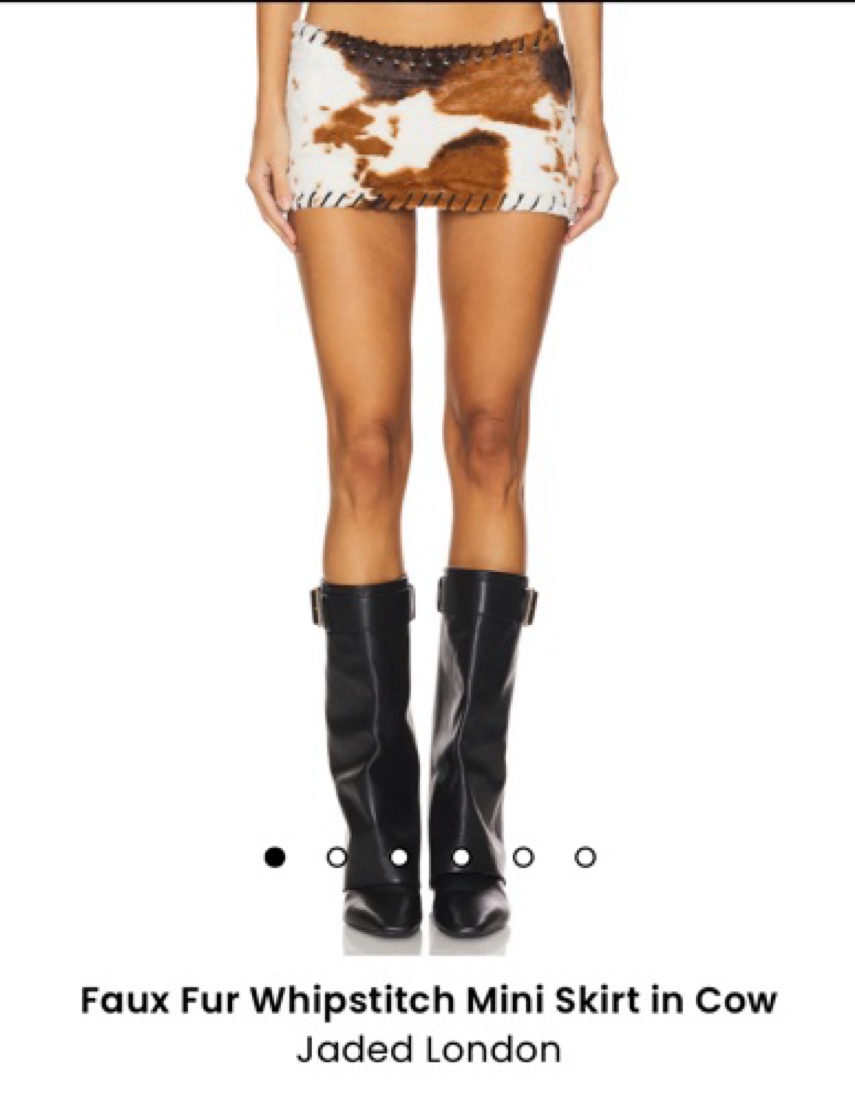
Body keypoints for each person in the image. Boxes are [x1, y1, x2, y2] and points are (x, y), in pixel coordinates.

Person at [247, 2, 617, 939]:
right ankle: (378, 846)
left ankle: (466, 839)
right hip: (339, 77)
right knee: (364, 447)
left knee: (491, 437)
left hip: (512, 75)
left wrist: (594, 110)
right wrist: (267, 108)